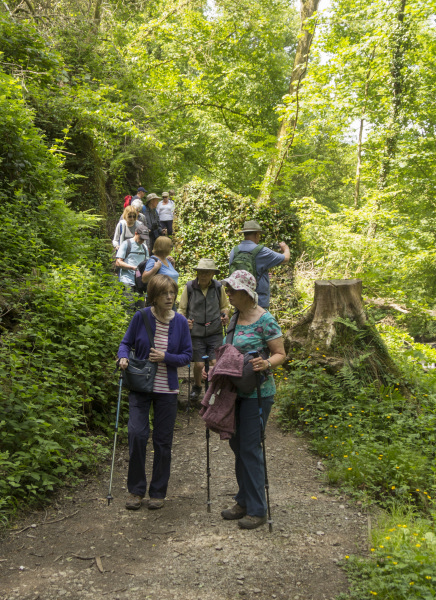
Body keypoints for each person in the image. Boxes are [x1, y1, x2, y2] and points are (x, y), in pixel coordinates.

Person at [218, 270, 286, 529]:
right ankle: (243, 500)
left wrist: (266, 362)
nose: (229, 294)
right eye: (228, 290)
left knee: (250, 448)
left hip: (258, 393)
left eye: (232, 290)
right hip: (234, 392)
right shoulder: (234, 318)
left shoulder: (265, 320)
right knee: (237, 447)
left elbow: (281, 353)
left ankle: (258, 509)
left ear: (247, 293)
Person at [118, 275, 192, 510]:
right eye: (164, 294)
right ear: (154, 296)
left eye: (172, 293)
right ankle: (136, 491)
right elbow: (125, 343)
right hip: (140, 386)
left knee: (163, 442)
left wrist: (166, 357)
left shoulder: (180, 322)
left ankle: (158, 492)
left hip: (167, 390)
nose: (170, 297)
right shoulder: (141, 317)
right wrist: (122, 357)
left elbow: (187, 355)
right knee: (137, 436)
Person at [178, 258, 230, 404]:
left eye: (207, 272)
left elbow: (224, 306)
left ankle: (214, 389)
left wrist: (225, 315)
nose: (203, 275)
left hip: (215, 331)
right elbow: (181, 309)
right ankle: (197, 386)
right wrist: (184, 321)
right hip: (196, 332)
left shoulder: (218, 287)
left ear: (212, 274)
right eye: (201, 272)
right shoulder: (189, 287)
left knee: (215, 361)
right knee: (199, 364)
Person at [229, 220, 291, 309]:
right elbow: (285, 258)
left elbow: (234, 274)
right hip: (258, 303)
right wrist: (286, 248)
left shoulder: (234, 251)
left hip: (239, 301)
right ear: (256, 234)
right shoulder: (261, 251)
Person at [116, 224, 150, 309]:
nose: (142, 240)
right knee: (128, 307)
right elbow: (118, 262)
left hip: (140, 283)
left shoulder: (144, 247)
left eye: (144, 239)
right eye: (141, 238)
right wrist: (132, 267)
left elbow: (147, 263)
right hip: (127, 280)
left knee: (140, 309)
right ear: (136, 233)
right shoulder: (126, 244)